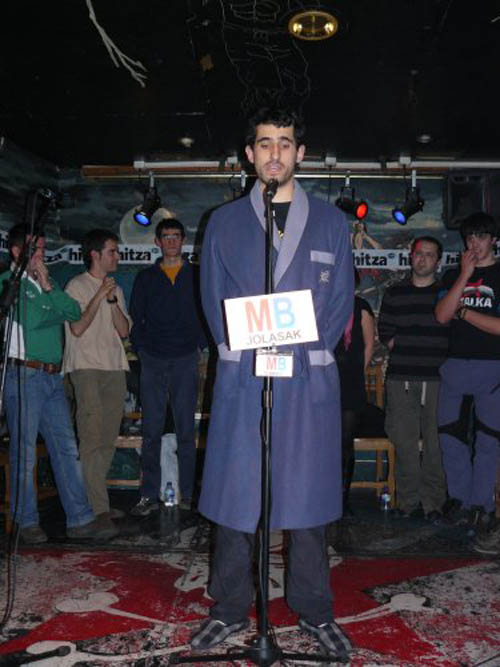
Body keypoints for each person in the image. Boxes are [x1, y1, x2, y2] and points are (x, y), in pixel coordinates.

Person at [190, 108, 354, 661]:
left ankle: (316, 610)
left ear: (300, 153)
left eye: (285, 143)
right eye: (264, 144)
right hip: (245, 377)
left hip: (306, 380)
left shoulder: (331, 222)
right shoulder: (223, 222)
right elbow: (212, 296)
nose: (275, 153)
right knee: (238, 499)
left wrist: (304, 348)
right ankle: (228, 607)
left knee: (306, 503)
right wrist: (239, 350)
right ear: (250, 154)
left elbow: (340, 299)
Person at [0, 224, 117, 544]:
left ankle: (80, 519)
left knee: (67, 449)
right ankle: (25, 522)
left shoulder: (45, 283)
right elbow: (35, 320)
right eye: (34, 249)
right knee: (24, 453)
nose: (41, 255)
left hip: (52, 376)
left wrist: (48, 287)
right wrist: (53, 305)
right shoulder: (8, 283)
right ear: (16, 251)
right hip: (24, 374)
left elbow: (74, 311)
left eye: (42, 248)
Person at [129, 218, 206, 515]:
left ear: (183, 240)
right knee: (151, 430)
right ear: (157, 242)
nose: (171, 241)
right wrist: (143, 350)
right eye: (166, 236)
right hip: (153, 359)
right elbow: (136, 317)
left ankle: (188, 494)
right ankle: (149, 495)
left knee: (186, 430)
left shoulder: (197, 275)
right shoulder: (146, 278)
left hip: (186, 358)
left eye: (176, 235)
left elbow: (207, 311)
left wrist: (199, 345)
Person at [435, 212, 500, 534]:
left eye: (481, 237)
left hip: (493, 367)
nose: (474, 243)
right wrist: (465, 275)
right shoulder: (453, 275)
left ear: (494, 240)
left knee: (488, 440)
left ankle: (482, 505)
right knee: (450, 437)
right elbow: (442, 316)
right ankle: (459, 501)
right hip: (456, 366)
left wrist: (465, 312)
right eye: (470, 237)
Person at [63, 229, 130, 529]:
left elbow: (124, 331)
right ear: (95, 254)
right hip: (86, 367)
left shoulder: (117, 289)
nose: (117, 257)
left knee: (107, 439)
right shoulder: (76, 285)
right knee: (90, 439)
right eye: (112, 251)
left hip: (114, 367)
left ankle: (94, 501)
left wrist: (112, 300)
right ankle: (99, 509)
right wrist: (99, 295)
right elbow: (77, 328)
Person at [378, 236, 449, 520]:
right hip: (401, 378)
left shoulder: (446, 293)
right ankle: (408, 502)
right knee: (404, 442)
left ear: (438, 261)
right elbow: (385, 333)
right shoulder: (394, 293)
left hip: (438, 379)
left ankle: (434, 504)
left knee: (436, 443)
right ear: (411, 256)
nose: (423, 259)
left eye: (429, 255)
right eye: (419, 253)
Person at [334, 269, 375, 515]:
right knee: (321, 442)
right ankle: (323, 495)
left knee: (345, 443)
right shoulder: (324, 302)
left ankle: (343, 498)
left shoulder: (361, 306)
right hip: (324, 382)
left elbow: (369, 345)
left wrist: (357, 373)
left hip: (350, 383)